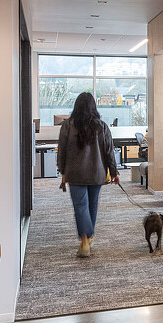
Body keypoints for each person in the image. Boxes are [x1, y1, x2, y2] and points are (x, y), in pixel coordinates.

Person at [57, 92, 119, 258]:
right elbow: (109, 152)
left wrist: (62, 170)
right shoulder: (102, 126)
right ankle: (88, 236)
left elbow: (61, 151)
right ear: (94, 107)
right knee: (92, 205)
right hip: (96, 173)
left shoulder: (67, 125)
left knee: (81, 206)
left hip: (75, 173)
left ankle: (85, 240)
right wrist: (113, 172)